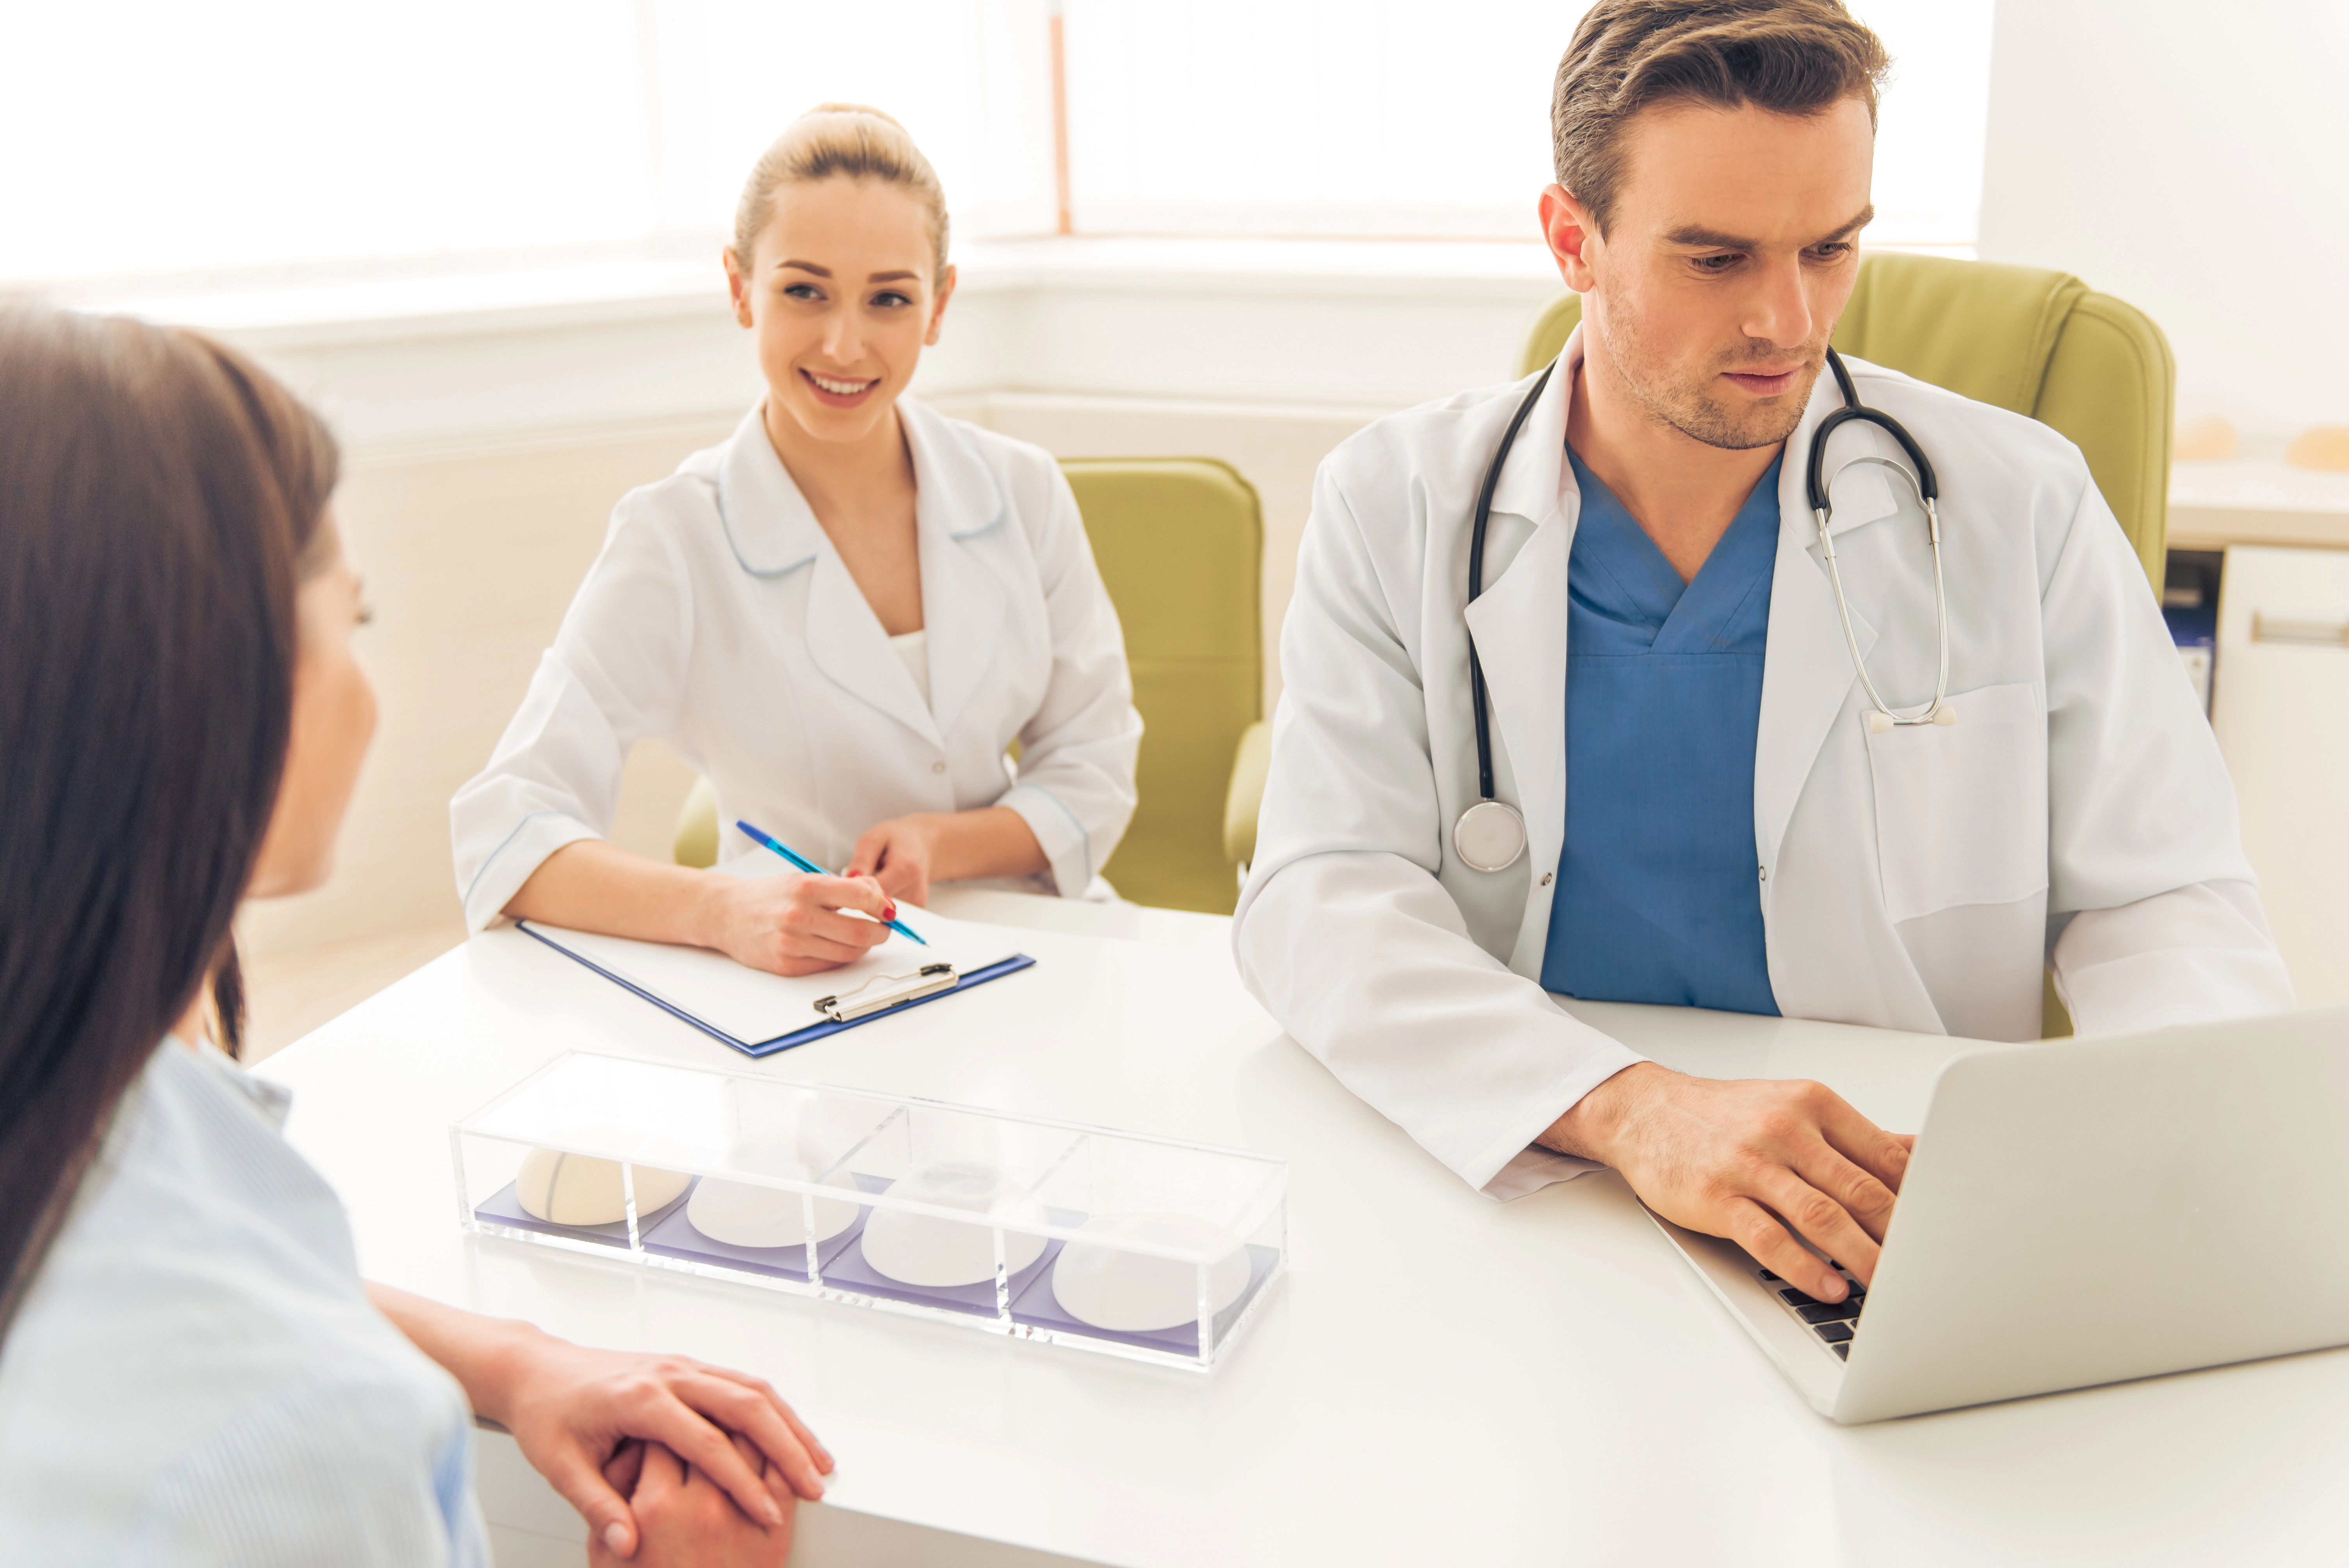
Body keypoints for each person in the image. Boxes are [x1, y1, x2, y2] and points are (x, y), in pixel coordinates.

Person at [1232, 0, 2293, 1309]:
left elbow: (2163, 896)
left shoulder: (2017, 500)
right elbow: (1322, 895)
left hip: (1885, 1198)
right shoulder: (1398, 502)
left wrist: (2192, 1161)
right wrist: (1629, 1107)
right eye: (1715, 258)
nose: (1787, 321)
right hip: (1536, 1169)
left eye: (1829, 249)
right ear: (1572, 240)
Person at [0, 304, 828, 1565]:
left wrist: (514, 1358)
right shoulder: (299, 1437)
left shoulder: (81, 1096)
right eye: (356, 618)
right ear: (215, 682)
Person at [453, 103, 1141, 976]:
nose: (844, 345)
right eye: (804, 291)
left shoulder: (1023, 489)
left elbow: (1094, 764)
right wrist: (719, 909)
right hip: (803, 982)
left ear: (938, 306)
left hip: (1039, 940)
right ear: (741, 287)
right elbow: (505, 828)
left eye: (889, 299)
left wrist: (940, 842)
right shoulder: (675, 535)